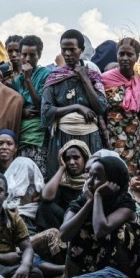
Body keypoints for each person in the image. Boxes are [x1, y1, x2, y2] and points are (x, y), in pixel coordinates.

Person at [59, 156, 140, 278]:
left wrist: (98, 196)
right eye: (90, 176)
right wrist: (89, 203)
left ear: (113, 182)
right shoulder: (84, 199)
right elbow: (64, 235)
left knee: (120, 231)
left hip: (134, 267)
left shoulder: (125, 203)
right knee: (80, 230)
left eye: (98, 177)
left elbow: (101, 230)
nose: (90, 182)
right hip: (97, 265)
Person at [42, 29, 108, 177]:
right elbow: (46, 111)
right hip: (62, 137)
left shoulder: (93, 76)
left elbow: (100, 107)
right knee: (61, 180)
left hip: (90, 137)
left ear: (82, 50)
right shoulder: (54, 77)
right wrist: (77, 107)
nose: (67, 53)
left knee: (89, 179)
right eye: (64, 49)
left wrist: (85, 79)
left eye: (72, 49)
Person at [101, 37, 140, 174]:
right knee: (114, 172)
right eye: (121, 54)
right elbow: (99, 109)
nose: (125, 58)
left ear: (137, 57)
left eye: (130, 54)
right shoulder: (104, 79)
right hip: (113, 136)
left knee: (134, 175)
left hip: (134, 137)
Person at [9, 36, 52, 175]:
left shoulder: (46, 75)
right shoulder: (17, 80)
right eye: (24, 55)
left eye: (32, 55)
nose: (27, 59)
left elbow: (41, 105)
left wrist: (28, 80)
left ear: (39, 56)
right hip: (21, 135)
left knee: (36, 176)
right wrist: (22, 112)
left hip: (37, 136)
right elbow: (13, 106)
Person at [37, 140, 91, 232]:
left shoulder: (92, 178)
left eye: (76, 157)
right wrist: (61, 168)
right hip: (64, 224)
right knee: (44, 207)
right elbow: (46, 197)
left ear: (85, 159)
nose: (71, 162)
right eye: (67, 159)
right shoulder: (62, 179)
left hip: (85, 222)